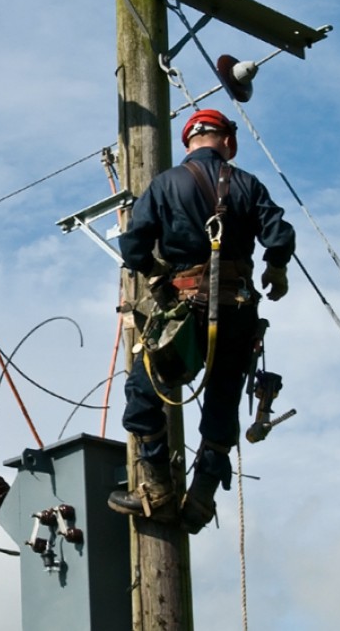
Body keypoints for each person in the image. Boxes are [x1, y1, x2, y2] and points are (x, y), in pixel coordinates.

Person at [107, 108, 295, 532]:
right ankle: (202, 497)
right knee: (223, 401)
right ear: (228, 142)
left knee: (144, 391)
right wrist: (276, 268)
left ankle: (156, 489)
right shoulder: (247, 184)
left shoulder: (165, 184)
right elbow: (278, 234)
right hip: (238, 311)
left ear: (189, 143)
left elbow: (134, 245)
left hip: (185, 312)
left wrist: (156, 275)